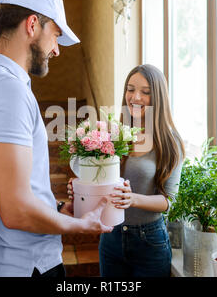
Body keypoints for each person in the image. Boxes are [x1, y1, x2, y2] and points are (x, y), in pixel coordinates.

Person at [0, 0, 113, 278]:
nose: (56, 49)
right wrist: (80, 226)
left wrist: (55, 207)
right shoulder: (7, 92)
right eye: (55, 35)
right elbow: (15, 208)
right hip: (27, 269)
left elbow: (7, 186)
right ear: (32, 25)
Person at [68, 64, 185, 277]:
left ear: (158, 97)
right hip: (111, 236)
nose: (135, 97)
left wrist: (132, 199)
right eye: (130, 89)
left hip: (150, 243)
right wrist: (81, 191)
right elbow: (102, 181)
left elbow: (169, 201)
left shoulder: (170, 142)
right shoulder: (114, 134)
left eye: (145, 92)